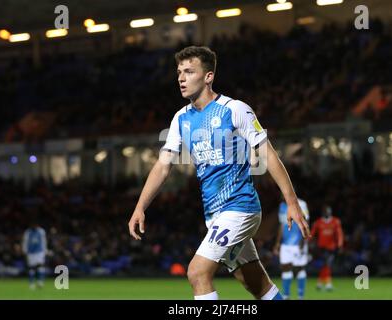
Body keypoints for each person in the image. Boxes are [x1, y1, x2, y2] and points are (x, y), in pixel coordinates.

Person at [128, 46, 310, 300]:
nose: (181, 77)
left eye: (189, 71)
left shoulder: (235, 109)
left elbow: (268, 154)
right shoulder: (181, 119)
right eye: (179, 72)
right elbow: (162, 165)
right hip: (214, 214)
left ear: (208, 76)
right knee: (254, 282)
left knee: (197, 272)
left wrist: (291, 201)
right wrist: (140, 206)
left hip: (239, 207)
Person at [273, 198, 309, 300]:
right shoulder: (282, 206)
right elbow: (282, 225)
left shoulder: (302, 204)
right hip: (285, 244)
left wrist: (303, 240)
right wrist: (278, 242)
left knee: (299, 268)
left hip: (298, 242)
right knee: (285, 268)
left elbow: (306, 221)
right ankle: (286, 295)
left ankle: (300, 296)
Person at [311, 205, 343, 291]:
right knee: (326, 265)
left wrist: (340, 245)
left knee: (327, 264)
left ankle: (321, 283)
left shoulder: (336, 221)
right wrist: (309, 242)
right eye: (326, 211)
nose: (327, 213)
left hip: (331, 247)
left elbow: (339, 234)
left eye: (329, 211)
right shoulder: (318, 222)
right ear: (323, 212)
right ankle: (326, 284)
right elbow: (312, 234)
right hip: (321, 248)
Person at [22, 221, 47, 290]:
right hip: (31, 252)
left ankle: (40, 282)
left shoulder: (41, 231)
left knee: (40, 266)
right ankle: (31, 284)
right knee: (31, 268)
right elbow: (25, 241)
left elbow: (43, 241)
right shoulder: (28, 232)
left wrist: (45, 250)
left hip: (39, 251)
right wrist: (24, 250)